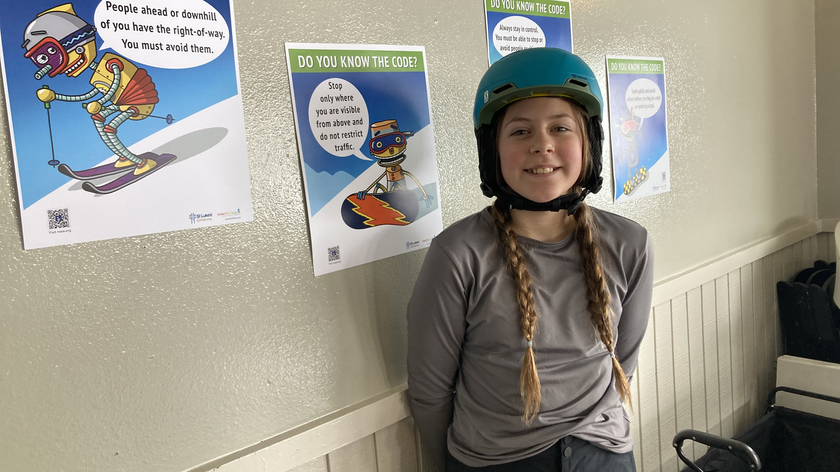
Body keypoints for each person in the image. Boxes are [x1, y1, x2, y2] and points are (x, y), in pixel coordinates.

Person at [406, 47, 654, 472]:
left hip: (603, 453)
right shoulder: (457, 254)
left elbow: (622, 363)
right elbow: (430, 392)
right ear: (493, 150)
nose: (543, 145)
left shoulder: (630, 243)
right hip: (495, 460)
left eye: (561, 128)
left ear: (589, 143)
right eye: (520, 131)